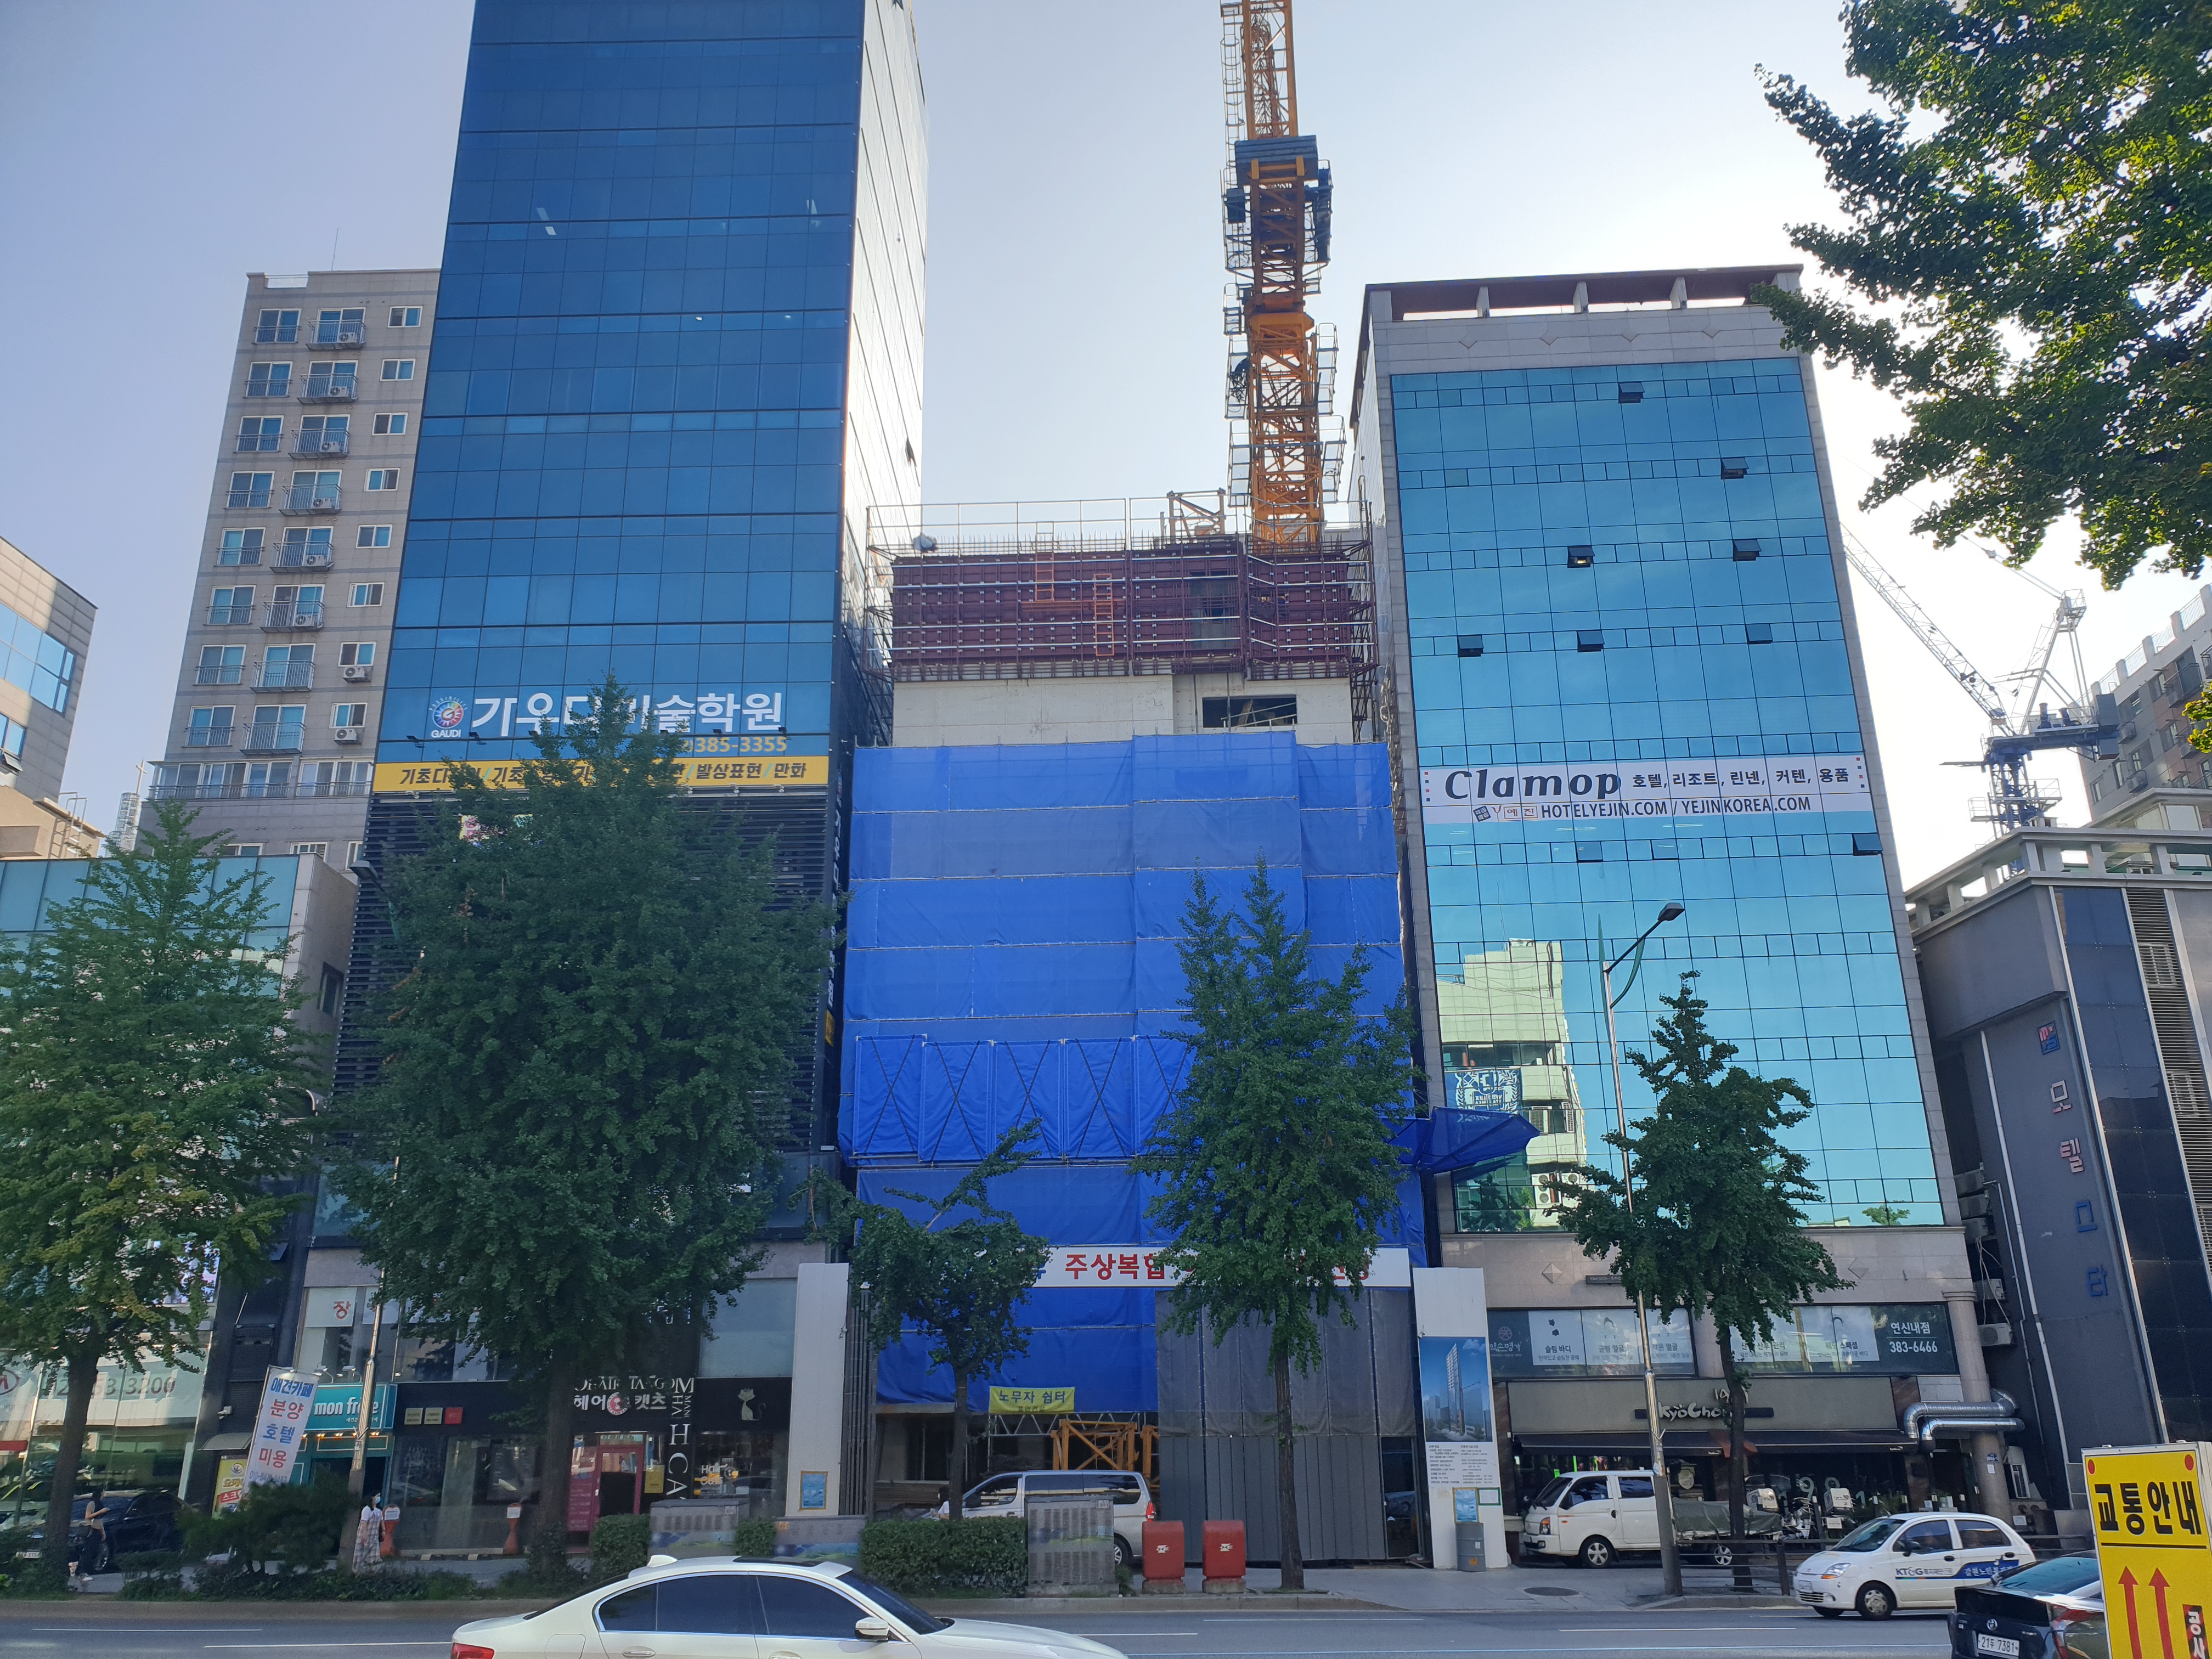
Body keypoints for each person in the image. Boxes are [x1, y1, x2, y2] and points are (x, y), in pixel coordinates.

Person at [351, 1493, 382, 1572]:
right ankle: (356, 1572)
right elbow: (364, 1523)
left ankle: (373, 1572)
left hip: (374, 1537)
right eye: (377, 1496)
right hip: (366, 1536)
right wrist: (364, 1534)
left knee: (374, 1557)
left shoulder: (379, 1511)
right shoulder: (366, 1510)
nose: (378, 1498)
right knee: (360, 1555)